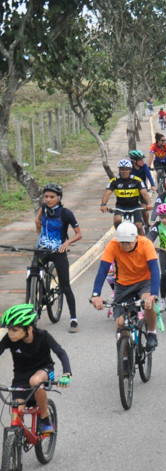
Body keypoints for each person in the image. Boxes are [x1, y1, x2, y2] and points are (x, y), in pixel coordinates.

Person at [0, 304, 72, 437]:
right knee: (16, 415)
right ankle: (16, 446)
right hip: (20, 378)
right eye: (9, 330)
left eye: (14, 330)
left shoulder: (42, 336)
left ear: (29, 328)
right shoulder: (9, 340)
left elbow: (61, 353)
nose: (10, 334)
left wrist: (67, 374)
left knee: (35, 381)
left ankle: (44, 420)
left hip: (44, 371)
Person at [90, 222, 161, 350]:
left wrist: (153, 294)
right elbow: (103, 270)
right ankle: (123, 354)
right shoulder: (112, 245)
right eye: (122, 242)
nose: (125, 245)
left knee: (147, 302)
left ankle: (151, 332)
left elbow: (155, 270)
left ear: (136, 238)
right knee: (120, 323)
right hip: (123, 284)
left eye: (128, 242)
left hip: (144, 282)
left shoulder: (146, 244)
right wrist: (96, 294)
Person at [34, 183, 82, 332]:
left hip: (58, 252)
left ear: (59, 198)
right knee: (33, 273)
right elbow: (38, 225)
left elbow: (79, 234)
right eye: (46, 196)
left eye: (52, 197)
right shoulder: (43, 208)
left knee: (65, 285)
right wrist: (38, 226)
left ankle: (73, 319)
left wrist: (67, 242)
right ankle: (38, 297)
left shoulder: (66, 213)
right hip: (42, 249)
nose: (48, 200)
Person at [101, 158, 151, 234]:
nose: (124, 171)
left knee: (139, 226)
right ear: (119, 170)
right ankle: (120, 234)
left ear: (130, 170)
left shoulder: (137, 180)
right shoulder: (114, 181)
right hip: (121, 206)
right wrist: (103, 204)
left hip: (135, 205)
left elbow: (144, 193)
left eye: (127, 169)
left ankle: (143, 244)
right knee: (117, 220)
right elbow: (107, 193)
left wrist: (149, 204)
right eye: (122, 169)